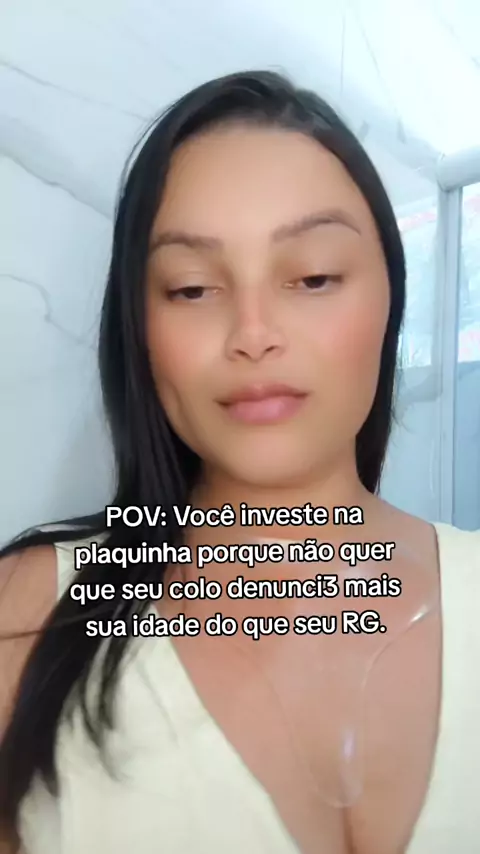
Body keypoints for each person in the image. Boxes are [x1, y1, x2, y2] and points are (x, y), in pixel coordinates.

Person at [0, 69, 478, 854]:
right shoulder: (29, 615)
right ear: (139, 327)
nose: (253, 334)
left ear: (389, 297)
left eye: (314, 277)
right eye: (191, 289)